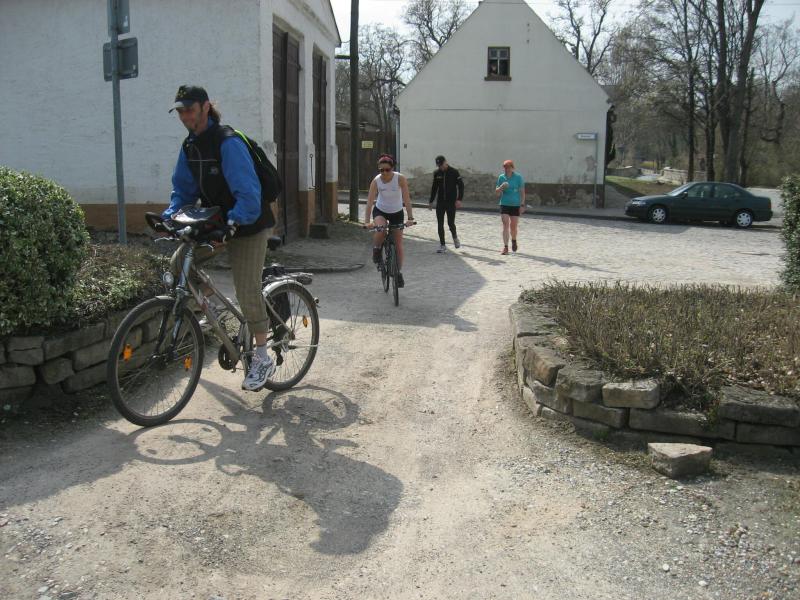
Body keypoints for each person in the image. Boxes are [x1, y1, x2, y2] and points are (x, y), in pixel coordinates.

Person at [162, 84, 276, 392]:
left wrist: (233, 223)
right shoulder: (190, 146)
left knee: (247, 289)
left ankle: (262, 357)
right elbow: (182, 190)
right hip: (216, 221)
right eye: (180, 111)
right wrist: (169, 216)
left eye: (189, 109)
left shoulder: (227, 142)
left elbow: (249, 194)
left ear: (205, 107)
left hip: (248, 222)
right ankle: (216, 313)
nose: (185, 116)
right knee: (179, 265)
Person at [364, 154, 414, 287]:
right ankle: (376, 250)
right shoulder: (376, 181)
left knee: (398, 244)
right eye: (381, 170)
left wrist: (410, 218)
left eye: (387, 169)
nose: (384, 173)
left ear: (392, 168)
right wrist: (367, 222)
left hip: (396, 212)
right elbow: (369, 202)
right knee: (380, 229)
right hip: (380, 210)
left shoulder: (400, 179)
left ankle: (397, 273)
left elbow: (407, 199)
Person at [428, 155, 464, 253]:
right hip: (440, 202)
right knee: (440, 224)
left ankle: (455, 237)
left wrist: (459, 199)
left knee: (450, 223)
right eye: (438, 165)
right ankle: (442, 245)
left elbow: (461, 186)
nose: (440, 167)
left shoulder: (454, 172)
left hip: (451, 202)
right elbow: (434, 188)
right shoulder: (437, 173)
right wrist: (431, 201)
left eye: (441, 165)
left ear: (445, 162)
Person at [495, 159, 526, 255]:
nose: (507, 169)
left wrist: (522, 205)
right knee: (505, 224)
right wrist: (501, 187)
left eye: (509, 167)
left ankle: (514, 240)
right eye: (505, 167)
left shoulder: (518, 177)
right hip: (504, 204)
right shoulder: (501, 177)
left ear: (512, 168)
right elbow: (497, 193)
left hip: (515, 204)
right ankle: (505, 247)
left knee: (513, 226)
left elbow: (522, 192)